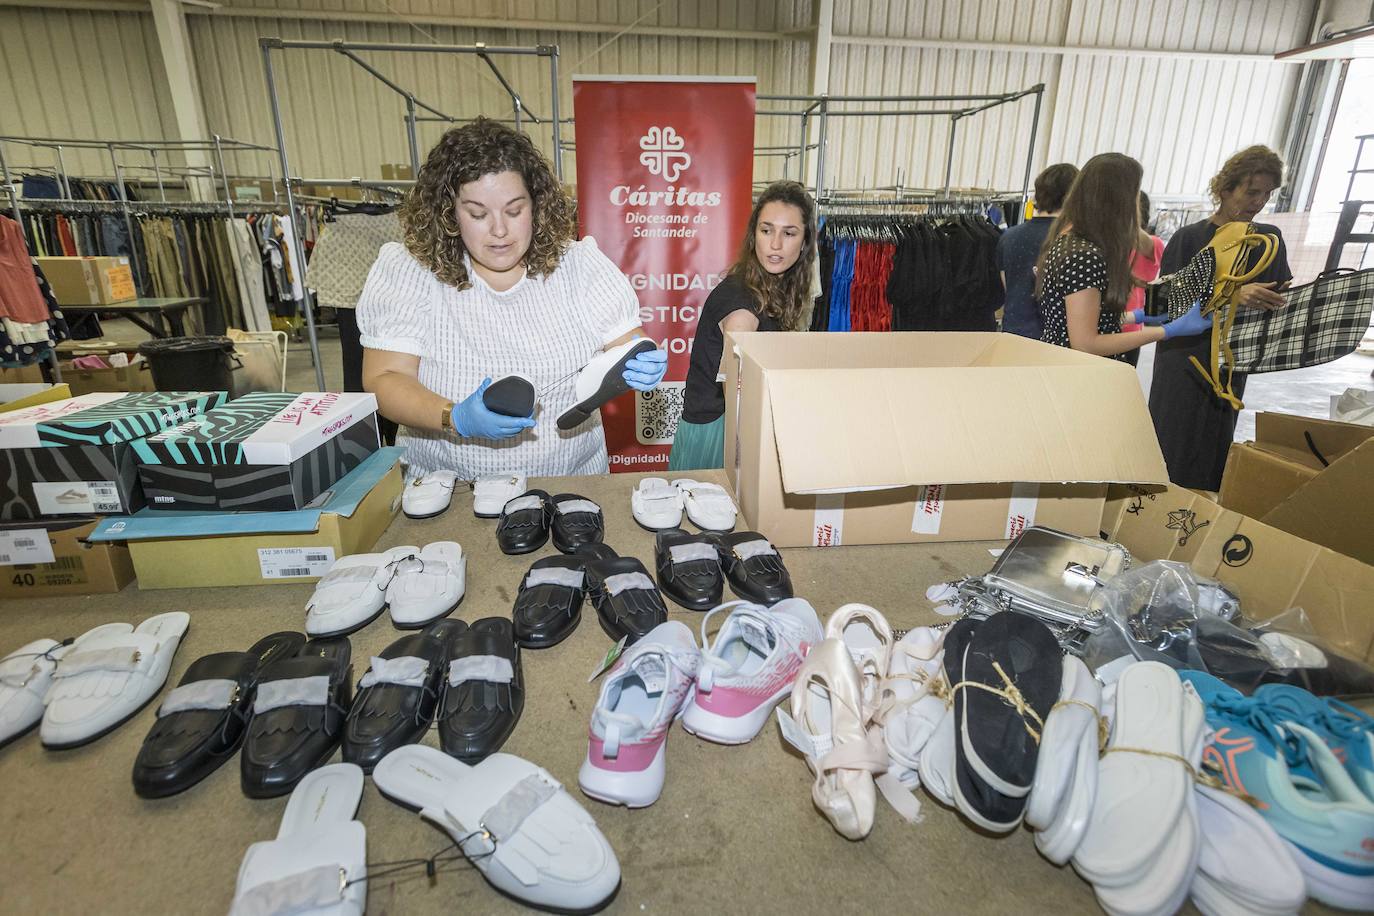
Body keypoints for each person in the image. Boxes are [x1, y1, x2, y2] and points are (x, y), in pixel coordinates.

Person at [357, 118, 668, 479]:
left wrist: (639, 354)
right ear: (449, 213)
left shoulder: (580, 266)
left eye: (514, 209)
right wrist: (453, 416)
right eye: (477, 213)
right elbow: (385, 377)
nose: (499, 230)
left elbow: (625, 341)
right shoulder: (411, 271)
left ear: (536, 206)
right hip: (450, 487)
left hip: (570, 481)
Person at [1148, 145, 1293, 492]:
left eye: (1267, 194)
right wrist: (1233, 295)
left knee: (1214, 447)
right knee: (1169, 445)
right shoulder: (1190, 238)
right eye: (1251, 191)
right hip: (1184, 357)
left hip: (1230, 361)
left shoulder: (1268, 239)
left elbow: (1278, 295)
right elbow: (1164, 305)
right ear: (1225, 189)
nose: (1258, 201)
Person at [669, 180, 818, 471]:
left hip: (736, 425)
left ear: (804, 242)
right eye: (766, 230)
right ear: (754, 236)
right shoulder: (741, 307)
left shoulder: (771, 287)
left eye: (788, 233)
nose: (775, 244)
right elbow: (737, 398)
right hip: (721, 433)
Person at [1034, 153, 1211, 361]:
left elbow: (1077, 320)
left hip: (1068, 367)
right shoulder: (1084, 255)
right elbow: (1085, 343)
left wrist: (1135, 316)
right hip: (1078, 374)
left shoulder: (1072, 242)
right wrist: (1165, 331)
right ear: (1120, 200)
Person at [996, 163, 1078, 339]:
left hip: (1013, 334)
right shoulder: (1073, 242)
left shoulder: (1008, 237)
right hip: (1052, 340)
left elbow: (1008, 288)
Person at [1119, 190, 1166, 366]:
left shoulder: (1153, 244)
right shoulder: (1108, 244)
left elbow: (1143, 242)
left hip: (1129, 329)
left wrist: (1125, 212)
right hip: (1100, 325)